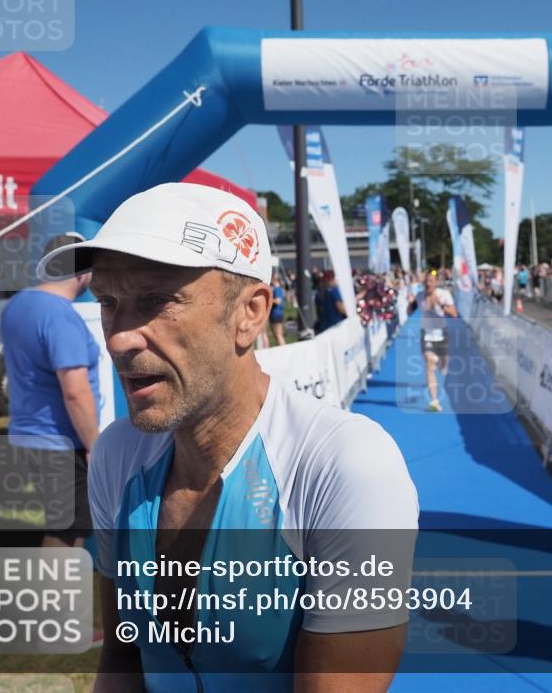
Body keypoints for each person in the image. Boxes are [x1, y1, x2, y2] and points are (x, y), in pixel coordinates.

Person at [37, 183, 418, 692]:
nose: (118, 337)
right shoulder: (116, 454)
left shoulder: (346, 464)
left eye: (156, 300)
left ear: (250, 313)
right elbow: (123, 660)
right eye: (108, 301)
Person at [0, 232, 100, 549]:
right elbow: (75, 391)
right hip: (58, 440)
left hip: (29, 432)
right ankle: (56, 600)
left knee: (69, 527)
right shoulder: (59, 316)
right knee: (66, 532)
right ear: (82, 272)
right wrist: (94, 443)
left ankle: (65, 598)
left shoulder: (17, 304)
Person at [419, 270, 458, 413]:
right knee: (430, 365)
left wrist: (440, 305)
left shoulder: (444, 294)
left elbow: (454, 314)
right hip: (426, 335)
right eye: (426, 281)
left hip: (442, 335)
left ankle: (443, 364)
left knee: (443, 364)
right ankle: (434, 401)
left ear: (436, 282)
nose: (428, 283)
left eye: (430, 280)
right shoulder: (420, 296)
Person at [313, 269, 346, 333]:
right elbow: (341, 309)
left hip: (323, 326)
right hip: (336, 325)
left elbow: (317, 311)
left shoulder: (319, 293)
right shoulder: (334, 291)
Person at [268, 272, 286, 346]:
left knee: (278, 335)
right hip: (276, 313)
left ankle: (283, 351)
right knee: (277, 335)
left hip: (276, 314)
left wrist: (269, 300)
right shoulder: (278, 289)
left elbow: (278, 301)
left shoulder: (277, 289)